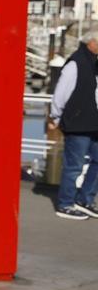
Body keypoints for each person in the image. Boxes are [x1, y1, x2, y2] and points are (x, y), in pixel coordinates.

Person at [49, 31, 98, 220]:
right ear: (91, 43)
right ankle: (65, 203)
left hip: (93, 122)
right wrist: (56, 115)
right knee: (74, 166)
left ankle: (85, 200)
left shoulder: (94, 63)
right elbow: (61, 92)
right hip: (78, 122)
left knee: (96, 162)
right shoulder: (75, 63)